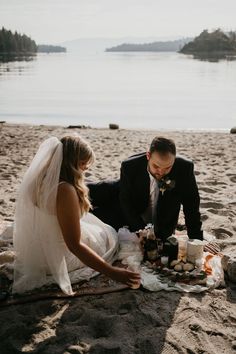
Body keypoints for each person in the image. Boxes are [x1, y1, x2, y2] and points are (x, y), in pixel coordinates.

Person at [13, 136, 140, 295]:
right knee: (109, 236)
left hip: (37, 254)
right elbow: (74, 245)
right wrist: (112, 272)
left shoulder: (38, 179)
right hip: (58, 259)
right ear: (70, 163)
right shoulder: (65, 190)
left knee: (96, 218)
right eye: (82, 164)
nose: (85, 168)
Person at [88, 136, 203, 242]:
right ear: (148, 156)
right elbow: (126, 202)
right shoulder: (130, 166)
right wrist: (141, 231)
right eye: (156, 166)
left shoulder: (185, 168)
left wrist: (197, 239)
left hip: (163, 224)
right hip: (132, 213)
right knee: (95, 196)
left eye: (167, 167)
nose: (161, 172)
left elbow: (191, 204)